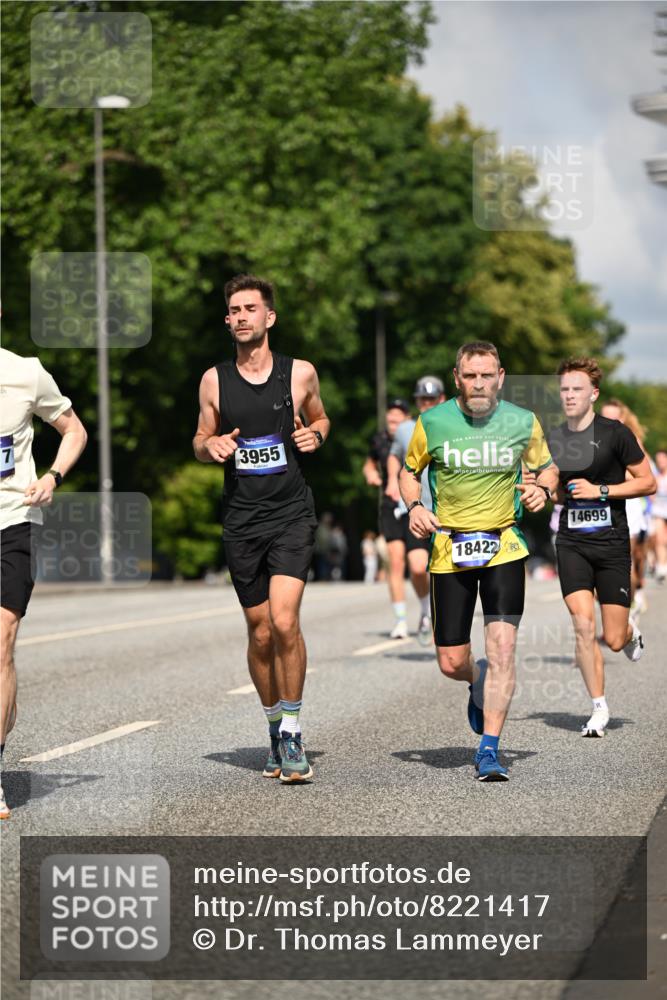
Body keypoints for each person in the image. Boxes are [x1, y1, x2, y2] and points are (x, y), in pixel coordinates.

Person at [193, 274, 330, 783]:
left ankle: (293, 734)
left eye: (251, 308)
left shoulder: (300, 374)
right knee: (260, 630)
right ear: (228, 321)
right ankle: (273, 727)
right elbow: (201, 436)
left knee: (286, 620)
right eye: (234, 310)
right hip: (241, 520)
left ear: (269, 317)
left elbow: (321, 418)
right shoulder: (214, 380)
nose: (242, 316)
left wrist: (316, 434)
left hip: (292, 513)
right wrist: (211, 448)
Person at [400, 342, 558, 781]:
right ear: (457, 378)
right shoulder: (431, 422)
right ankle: (476, 678)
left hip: (504, 545)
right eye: (470, 376)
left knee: (503, 647)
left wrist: (542, 490)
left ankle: (489, 749)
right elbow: (408, 472)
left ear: (501, 376)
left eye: (486, 375)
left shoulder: (522, 422)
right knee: (451, 661)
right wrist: (414, 506)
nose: (479, 383)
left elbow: (547, 468)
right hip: (450, 549)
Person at [548, 359, 656, 738]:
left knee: (612, 639)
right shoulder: (554, 437)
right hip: (572, 542)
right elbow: (554, 490)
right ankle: (598, 707)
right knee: (582, 624)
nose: (570, 395)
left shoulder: (616, 433)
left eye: (576, 389)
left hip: (611, 543)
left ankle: (628, 632)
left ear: (592, 394)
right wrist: (542, 489)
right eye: (564, 390)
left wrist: (601, 491)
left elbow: (647, 484)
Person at [1, 346, 87, 819]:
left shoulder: (25, 373)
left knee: (2, 640)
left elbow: (74, 430)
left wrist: (53, 476)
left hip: (13, 522)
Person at [385, 375, 446, 644]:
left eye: (432, 399)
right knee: (418, 568)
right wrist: (390, 482)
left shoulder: (452, 425)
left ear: (442, 399)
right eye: (423, 399)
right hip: (419, 508)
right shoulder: (405, 429)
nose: (427, 403)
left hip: (448, 510)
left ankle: (446, 616)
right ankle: (426, 609)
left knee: (445, 569)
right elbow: (394, 456)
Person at [363, 399, 416, 638]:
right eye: (390, 417)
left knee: (418, 567)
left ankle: (426, 611)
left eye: (398, 417)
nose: (392, 421)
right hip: (390, 503)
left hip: (417, 504)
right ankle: (401, 620)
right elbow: (370, 463)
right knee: (395, 562)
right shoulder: (379, 439)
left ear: (407, 417)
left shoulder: (416, 435)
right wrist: (371, 473)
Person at [599, 400, 650, 614]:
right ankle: (618, 613)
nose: (609, 421)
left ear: (623, 419)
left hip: (627, 506)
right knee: (600, 566)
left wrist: (612, 478)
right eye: (604, 417)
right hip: (599, 507)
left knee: (625, 560)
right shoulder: (591, 440)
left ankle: (631, 600)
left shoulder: (630, 440)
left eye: (614, 417)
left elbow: (642, 477)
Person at [651, 448, 667, 583]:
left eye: (663, 459)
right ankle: (662, 566)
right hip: (659, 511)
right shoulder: (656, 476)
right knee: (659, 539)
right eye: (658, 460)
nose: (660, 462)